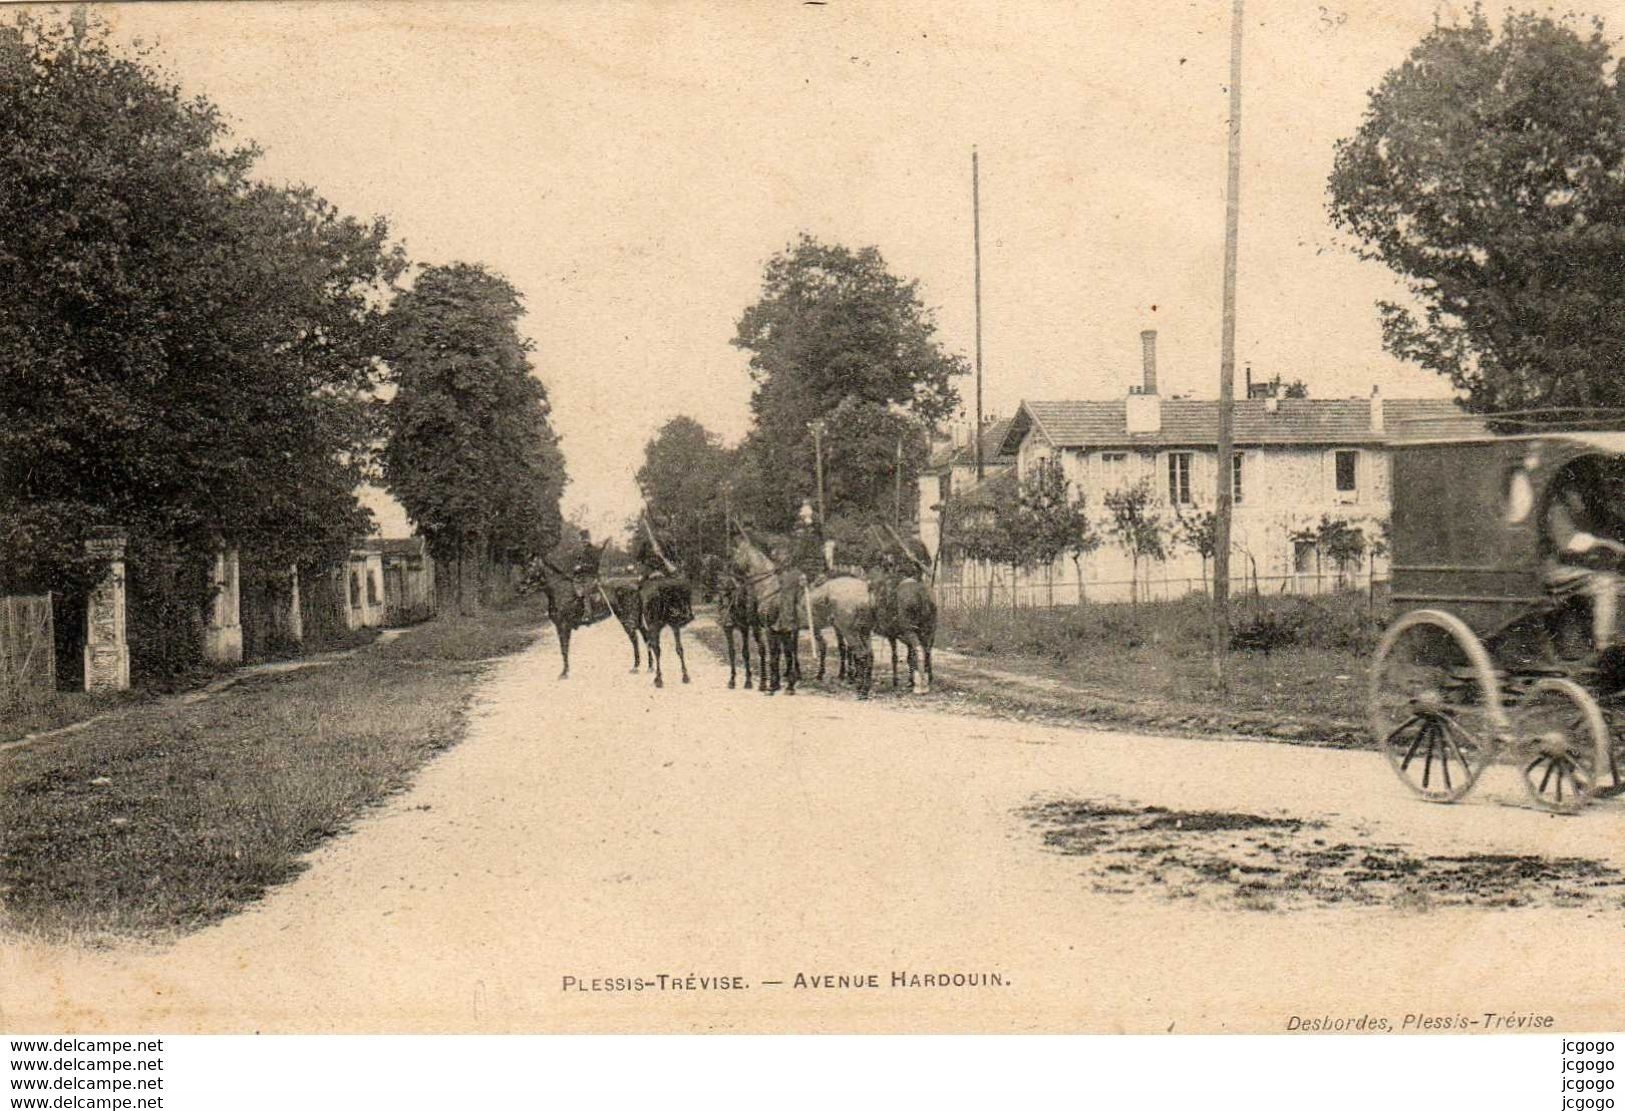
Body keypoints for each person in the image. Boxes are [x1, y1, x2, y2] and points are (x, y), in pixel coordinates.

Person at [1543, 459, 1625, 652]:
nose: (1581, 497)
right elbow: (1568, 543)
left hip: (1575, 569)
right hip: (1556, 571)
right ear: (1567, 491)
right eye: (1577, 491)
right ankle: (1605, 648)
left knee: (1615, 580)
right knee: (1605, 583)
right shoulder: (1557, 510)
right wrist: (1605, 544)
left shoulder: (1582, 512)